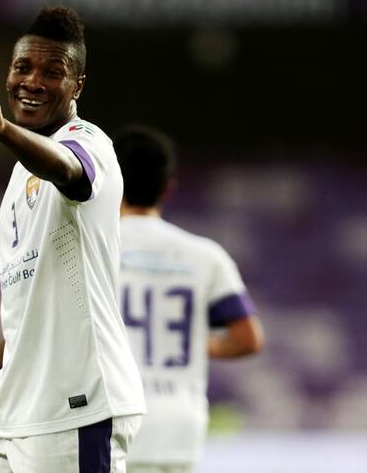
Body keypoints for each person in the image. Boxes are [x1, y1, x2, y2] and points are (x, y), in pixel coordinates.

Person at [0, 5, 145, 472]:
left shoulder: (90, 144)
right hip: (14, 410)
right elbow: (39, 302)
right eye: (22, 67)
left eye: (53, 72)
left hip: (77, 405)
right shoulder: (18, 177)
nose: (32, 81)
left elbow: (67, 169)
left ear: (77, 87)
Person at [112, 125, 265, 473]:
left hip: (113, 422)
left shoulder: (92, 251)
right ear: (168, 188)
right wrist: (197, 342)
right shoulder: (205, 256)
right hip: (179, 428)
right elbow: (249, 338)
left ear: (111, 183)